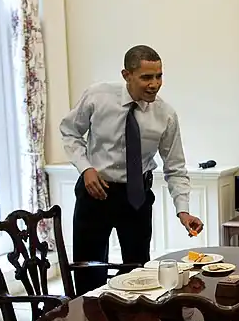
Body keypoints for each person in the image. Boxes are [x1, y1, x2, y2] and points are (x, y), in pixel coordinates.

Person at [60, 45, 204, 295]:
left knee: (138, 274)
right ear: (127, 75)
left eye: (159, 76)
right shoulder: (97, 96)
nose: (154, 84)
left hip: (136, 198)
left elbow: (175, 167)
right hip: (95, 192)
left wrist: (183, 211)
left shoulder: (165, 115)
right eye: (146, 77)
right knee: (88, 274)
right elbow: (70, 132)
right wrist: (86, 168)